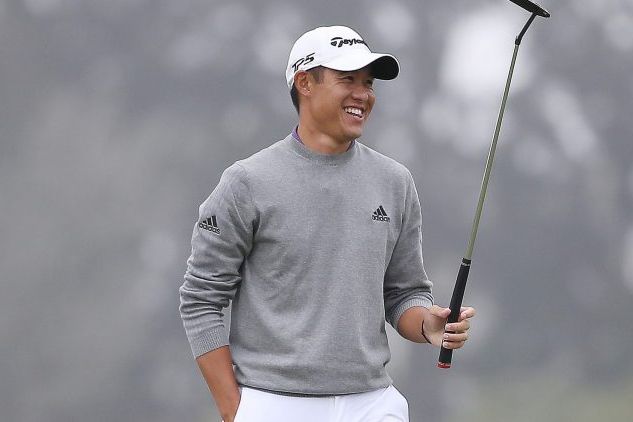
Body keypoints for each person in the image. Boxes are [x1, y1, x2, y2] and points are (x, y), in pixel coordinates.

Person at [180, 25, 475, 422]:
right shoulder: (246, 182)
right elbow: (201, 299)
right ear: (305, 83)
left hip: (372, 400)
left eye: (368, 83)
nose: (363, 94)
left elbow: (404, 293)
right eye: (347, 80)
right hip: (273, 400)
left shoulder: (395, 182)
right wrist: (235, 410)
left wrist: (428, 325)